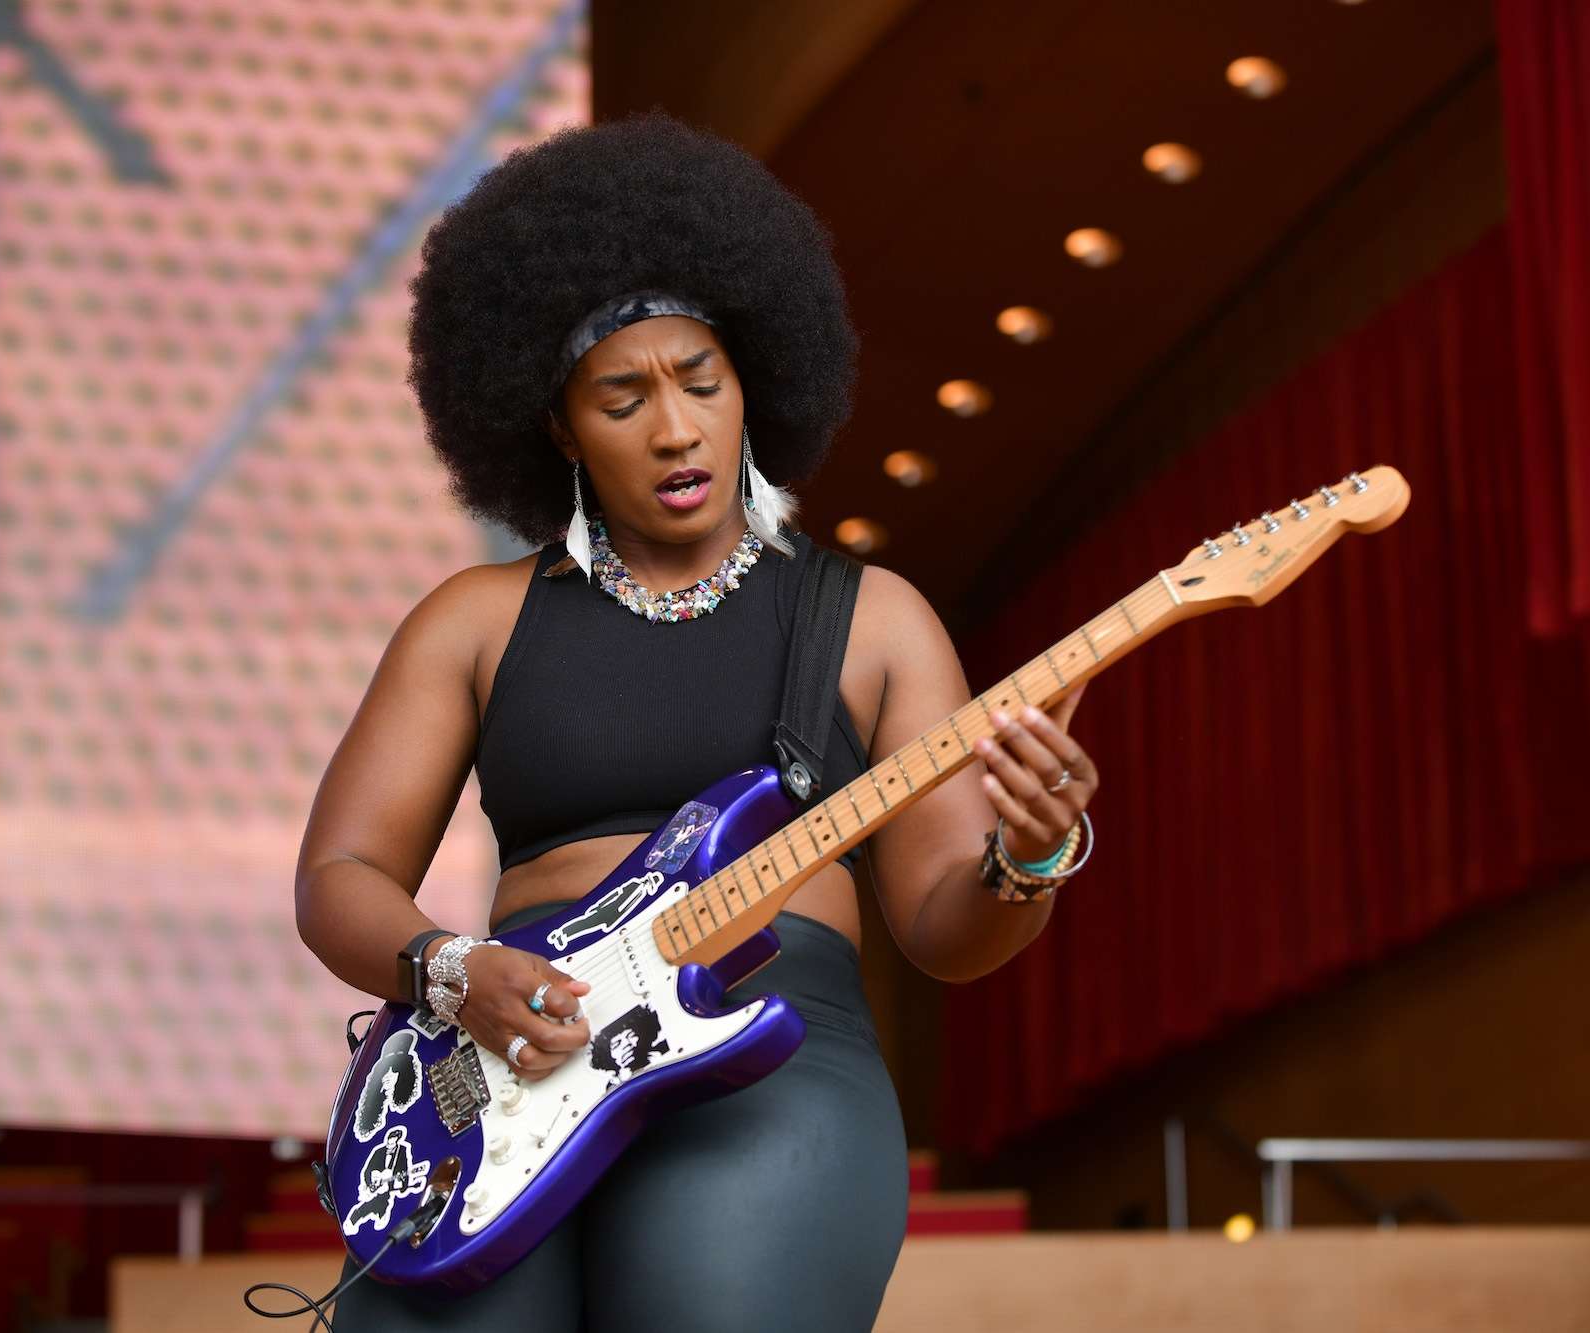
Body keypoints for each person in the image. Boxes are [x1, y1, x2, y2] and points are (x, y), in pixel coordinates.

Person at [294, 113, 1101, 1331]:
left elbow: (946, 930)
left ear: (750, 384)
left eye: (700, 382)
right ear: (558, 426)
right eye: (621, 397)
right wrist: (452, 972)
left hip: (768, 1059)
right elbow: (340, 874)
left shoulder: (870, 620)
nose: (673, 427)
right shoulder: (472, 620)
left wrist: (1028, 857)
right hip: (510, 1059)